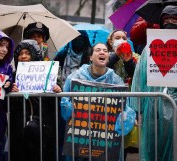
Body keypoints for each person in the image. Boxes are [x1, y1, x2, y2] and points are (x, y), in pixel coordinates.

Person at [60, 43, 136, 161]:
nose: (102, 52)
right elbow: (65, 104)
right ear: (90, 57)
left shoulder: (115, 80)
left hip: (105, 142)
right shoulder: (76, 77)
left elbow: (125, 106)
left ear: (108, 57)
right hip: (80, 138)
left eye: (105, 51)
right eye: (98, 50)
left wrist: (126, 118)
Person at [130, 5, 177, 161]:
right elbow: (139, 77)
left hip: (175, 105)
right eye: (166, 19)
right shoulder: (149, 47)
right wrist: (136, 108)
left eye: (174, 19)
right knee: (151, 147)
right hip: (152, 106)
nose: (170, 22)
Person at [10, 39, 62, 161]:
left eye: (27, 53)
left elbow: (56, 102)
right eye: (20, 53)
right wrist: (11, 90)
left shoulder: (50, 74)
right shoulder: (12, 75)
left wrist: (57, 89)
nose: (23, 56)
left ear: (35, 55)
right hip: (19, 127)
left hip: (44, 127)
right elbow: (8, 105)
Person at [0, 28, 14, 161]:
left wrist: (9, 85)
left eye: (7, 46)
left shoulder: (7, 68)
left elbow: (9, 83)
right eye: (1, 45)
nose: (4, 50)